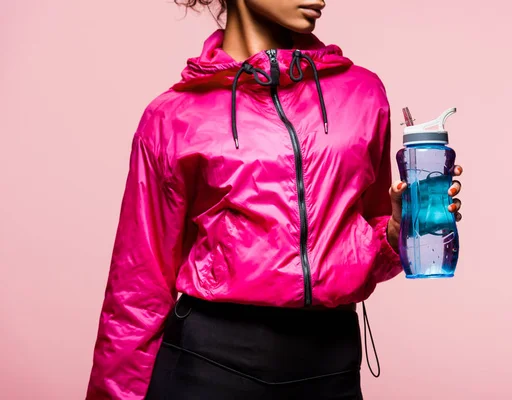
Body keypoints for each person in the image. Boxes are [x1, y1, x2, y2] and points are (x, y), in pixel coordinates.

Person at [86, 0, 464, 399]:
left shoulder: (363, 94)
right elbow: (136, 290)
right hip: (209, 365)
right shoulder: (172, 117)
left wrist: (395, 230)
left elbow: (366, 238)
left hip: (330, 365)